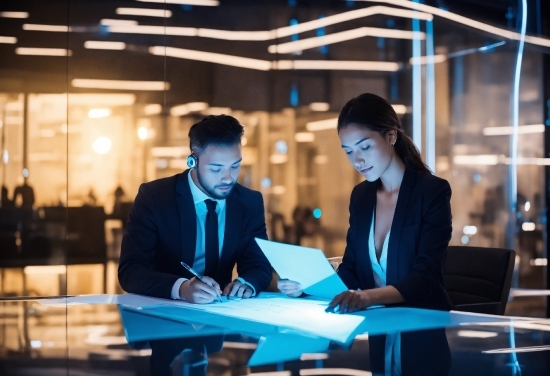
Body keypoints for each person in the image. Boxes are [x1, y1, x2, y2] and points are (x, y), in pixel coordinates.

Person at [278, 93, 454, 313]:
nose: (357, 160)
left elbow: (426, 278)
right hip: (376, 325)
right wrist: (305, 287)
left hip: (422, 323)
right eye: (349, 151)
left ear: (391, 136)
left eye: (365, 147)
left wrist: (367, 297)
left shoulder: (431, 191)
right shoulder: (361, 196)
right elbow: (351, 269)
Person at [119, 114, 272, 302]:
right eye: (216, 169)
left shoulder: (250, 202)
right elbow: (130, 270)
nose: (228, 178)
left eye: (235, 166)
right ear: (193, 161)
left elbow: (259, 265)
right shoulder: (155, 197)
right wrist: (181, 288)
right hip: (164, 312)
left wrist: (246, 282)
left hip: (223, 314)